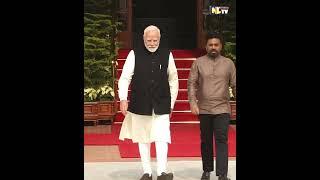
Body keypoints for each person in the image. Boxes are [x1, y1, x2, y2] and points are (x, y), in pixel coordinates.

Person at [118, 25, 179, 180]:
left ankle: (161, 172)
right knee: (143, 138)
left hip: (162, 102)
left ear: (159, 39)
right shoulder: (134, 54)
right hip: (140, 102)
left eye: (155, 40)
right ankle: (147, 172)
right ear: (144, 39)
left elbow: (173, 80)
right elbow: (125, 77)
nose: (152, 43)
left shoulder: (167, 54)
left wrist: (171, 103)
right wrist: (123, 98)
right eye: (149, 40)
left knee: (162, 137)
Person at [187, 33, 236, 180]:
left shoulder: (228, 63)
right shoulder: (198, 62)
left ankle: (222, 174)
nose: (213, 47)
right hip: (204, 108)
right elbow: (191, 83)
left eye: (216, 45)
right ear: (206, 46)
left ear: (220, 46)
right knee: (206, 140)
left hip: (222, 108)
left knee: (221, 140)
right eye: (210, 45)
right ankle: (206, 171)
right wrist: (192, 103)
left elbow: (234, 84)